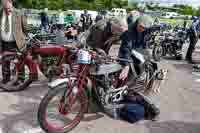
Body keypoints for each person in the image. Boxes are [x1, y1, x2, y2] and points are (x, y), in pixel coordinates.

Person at [0, 0, 26, 84]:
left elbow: (25, 27)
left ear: (11, 3)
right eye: (4, 5)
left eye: (8, 7)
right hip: (4, 43)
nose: (6, 9)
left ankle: (20, 79)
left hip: (16, 43)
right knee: (4, 61)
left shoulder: (19, 13)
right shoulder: (0, 12)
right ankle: (6, 78)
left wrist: (23, 39)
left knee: (19, 61)